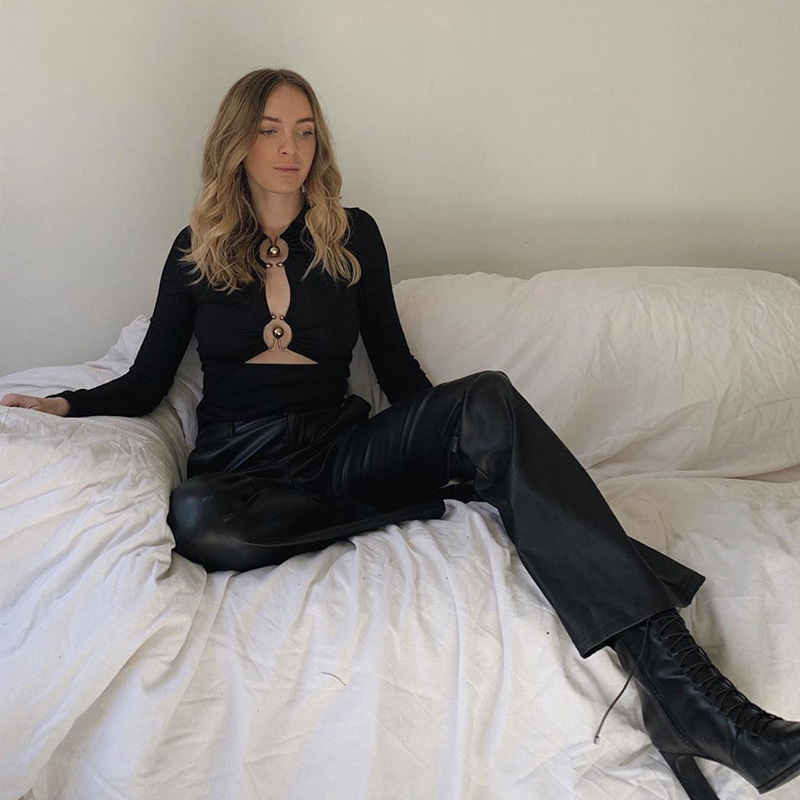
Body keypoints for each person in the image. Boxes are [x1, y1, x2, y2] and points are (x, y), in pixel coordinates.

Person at [2, 68, 797, 800]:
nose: (290, 148)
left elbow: (395, 366)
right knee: (199, 519)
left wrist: (448, 437)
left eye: (305, 130)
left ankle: (693, 698)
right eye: (271, 130)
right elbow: (146, 382)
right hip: (246, 470)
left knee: (485, 400)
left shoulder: (352, 235)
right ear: (236, 142)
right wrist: (63, 406)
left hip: (342, 451)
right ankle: (460, 499)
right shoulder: (195, 251)